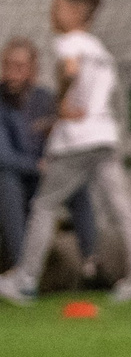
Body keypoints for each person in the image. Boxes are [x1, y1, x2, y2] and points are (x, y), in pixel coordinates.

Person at [0, 0, 131, 304]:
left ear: (74, 12)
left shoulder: (68, 42)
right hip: (103, 137)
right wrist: (60, 115)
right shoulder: (99, 50)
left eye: (56, 7)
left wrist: (63, 102)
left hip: (75, 143)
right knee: (122, 207)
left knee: (43, 206)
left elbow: (70, 73)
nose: (52, 14)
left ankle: (25, 279)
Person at [1, 35, 98, 277]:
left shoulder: (45, 100)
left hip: (44, 177)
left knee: (77, 183)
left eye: (20, 67)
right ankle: (24, 270)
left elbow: (63, 138)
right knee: (7, 181)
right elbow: (4, 157)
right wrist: (39, 166)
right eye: (8, 66)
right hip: (17, 178)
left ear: (33, 70)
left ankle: (92, 264)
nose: (13, 73)